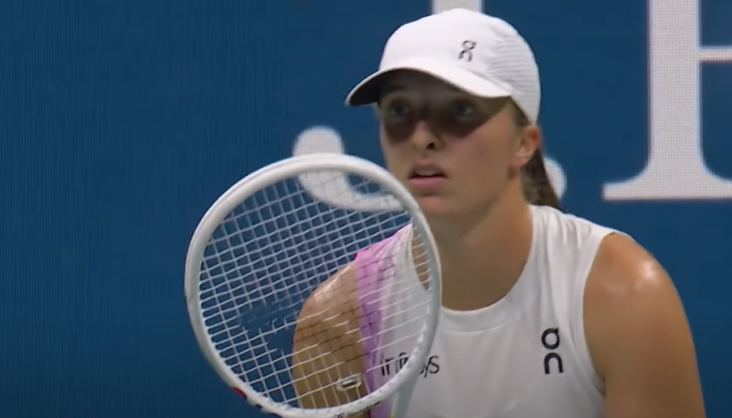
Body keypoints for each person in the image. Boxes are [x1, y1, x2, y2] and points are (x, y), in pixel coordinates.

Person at [291, 8, 705, 418]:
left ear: (524, 143)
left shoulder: (624, 294)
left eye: (460, 110)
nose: (422, 138)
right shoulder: (336, 324)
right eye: (400, 110)